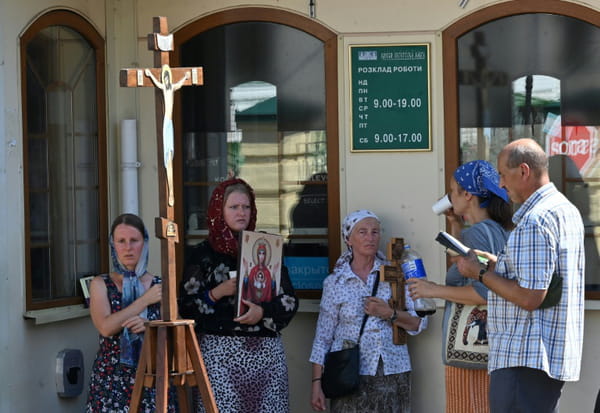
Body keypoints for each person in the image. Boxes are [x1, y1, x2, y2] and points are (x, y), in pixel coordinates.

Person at [455, 138, 585, 413]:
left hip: (524, 356)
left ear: (524, 171)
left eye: (502, 174)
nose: (500, 184)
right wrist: (496, 262)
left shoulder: (535, 220)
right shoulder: (564, 210)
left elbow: (529, 297)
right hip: (544, 357)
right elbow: (543, 277)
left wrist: (478, 272)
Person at [179, 178, 299, 413]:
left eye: (246, 207)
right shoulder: (202, 255)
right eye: (234, 207)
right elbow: (185, 307)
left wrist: (262, 312)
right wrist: (216, 293)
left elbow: (289, 301)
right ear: (219, 210)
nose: (241, 212)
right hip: (219, 355)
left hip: (266, 354)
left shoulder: (266, 247)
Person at [409, 160, 513, 413]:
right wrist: (456, 226)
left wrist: (431, 290)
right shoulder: (500, 230)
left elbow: (486, 291)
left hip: (470, 352)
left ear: (467, 194)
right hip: (497, 348)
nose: (449, 196)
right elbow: (469, 270)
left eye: (453, 190)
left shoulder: (477, 233)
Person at [309, 210, 428, 413]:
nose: (370, 237)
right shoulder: (335, 282)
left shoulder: (395, 275)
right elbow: (323, 338)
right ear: (349, 239)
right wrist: (316, 383)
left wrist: (389, 313)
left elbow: (420, 323)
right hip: (348, 372)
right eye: (362, 232)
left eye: (374, 232)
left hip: (392, 369)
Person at [86, 213, 177, 412]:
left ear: (144, 243)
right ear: (113, 245)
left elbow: (173, 336)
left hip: (153, 377)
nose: (128, 247)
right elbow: (106, 327)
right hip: (111, 379)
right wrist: (144, 301)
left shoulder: (160, 285)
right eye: (121, 241)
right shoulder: (101, 284)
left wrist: (148, 327)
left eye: (134, 240)